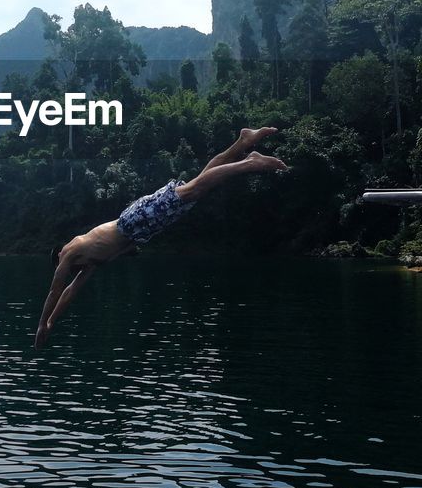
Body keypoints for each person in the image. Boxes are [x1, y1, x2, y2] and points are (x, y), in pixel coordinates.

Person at [34, 126, 287, 347]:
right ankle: (242, 142)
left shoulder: (69, 251)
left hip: (133, 221)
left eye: (62, 267)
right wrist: (51, 323)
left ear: (59, 257)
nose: (68, 271)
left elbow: (56, 290)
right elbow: (69, 292)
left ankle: (250, 162)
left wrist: (41, 325)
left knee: (194, 190)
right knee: (197, 186)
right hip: (141, 229)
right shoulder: (87, 263)